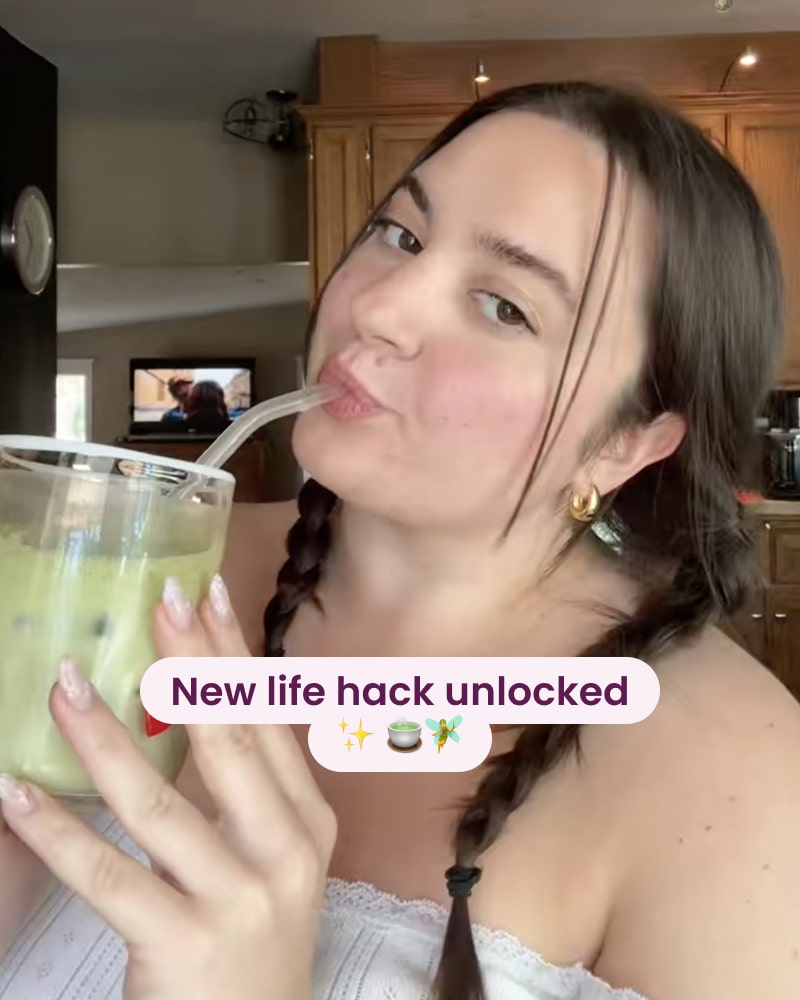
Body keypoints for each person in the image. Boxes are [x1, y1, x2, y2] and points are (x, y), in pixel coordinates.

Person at [2, 81, 800, 1000]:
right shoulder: (117, 577)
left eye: (505, 306)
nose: (379, 307)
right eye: (400, 234)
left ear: (628, 443)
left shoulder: (740, 789)